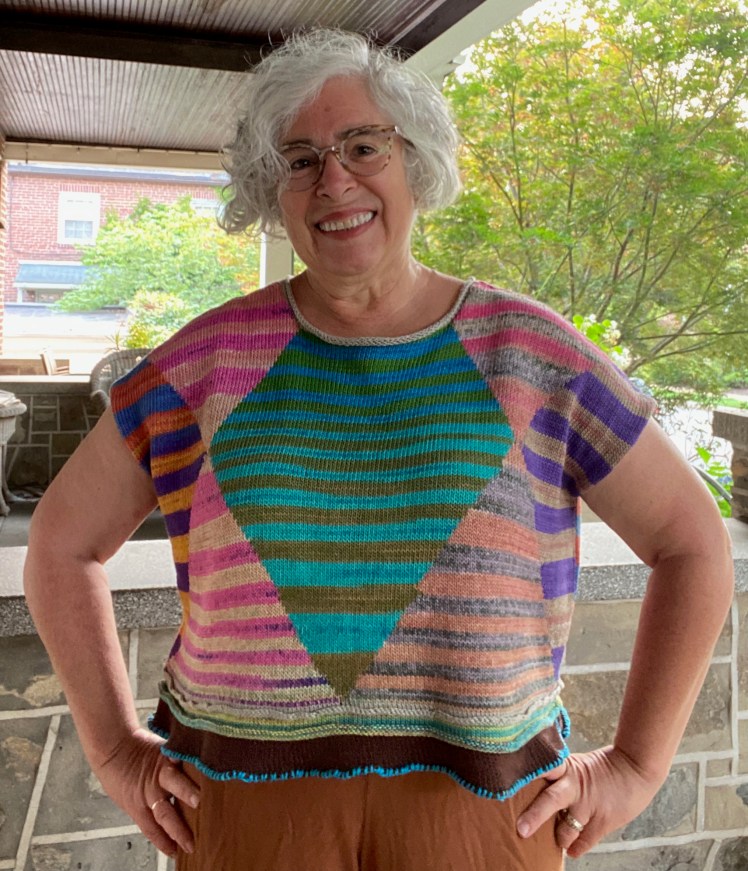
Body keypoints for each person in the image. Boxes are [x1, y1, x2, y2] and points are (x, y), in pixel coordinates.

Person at [24, 28, 734, 871]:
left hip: (482, 819)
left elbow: (692, 541)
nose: (335, 179)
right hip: (246, 819)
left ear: (415, 160)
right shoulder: (200, 366)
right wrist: (113, 749)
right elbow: (60, 544)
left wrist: (638, 766)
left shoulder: (534, 357)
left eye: (365, 145)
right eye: (300, 159)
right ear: (272, 188)